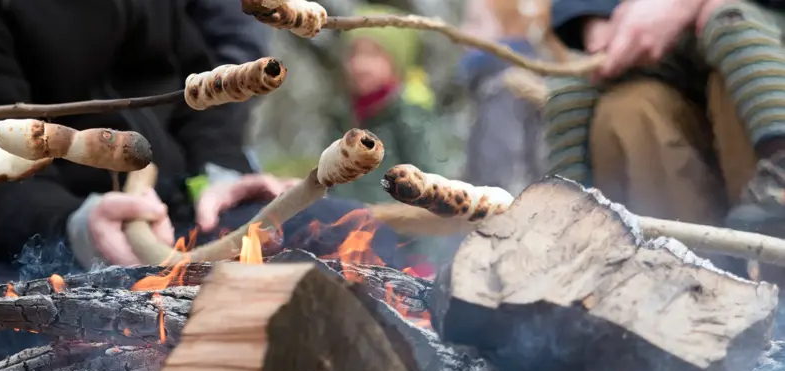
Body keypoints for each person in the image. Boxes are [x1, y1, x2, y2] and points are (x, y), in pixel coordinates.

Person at [0, 0, 400, 371]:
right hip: (4, 242)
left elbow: (194, 87)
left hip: (172, 212)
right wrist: (74, 224)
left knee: (342, 239)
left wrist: (218, 174)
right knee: (21, 336)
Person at [544, 0, 785, 240]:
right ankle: (568, 224)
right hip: (666, 42)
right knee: (578, 91)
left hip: (754, 25)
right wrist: (596, 19)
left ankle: (780, 175)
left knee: (729, 21)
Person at [328, 4, 453, 274]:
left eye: (373, 55)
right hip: (348, 245)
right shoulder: (342, 116)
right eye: (354, 54)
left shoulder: (410, 117)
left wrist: (424, 258)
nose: (360, 65)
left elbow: (435, 190)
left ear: (396, 62)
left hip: (400, 251)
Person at [459, 0, 548, 194]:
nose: (464, 31)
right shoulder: (494, 82)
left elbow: (502, 168)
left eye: (476, 22)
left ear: (510, 27)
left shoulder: (506, 86)